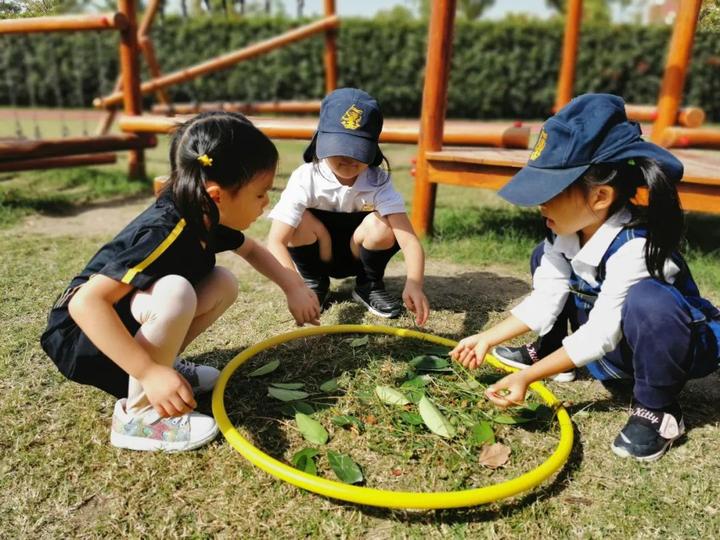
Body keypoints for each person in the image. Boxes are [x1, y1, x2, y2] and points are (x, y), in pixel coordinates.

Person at [450, 94, 720, 462]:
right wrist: (486, 337)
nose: (539, 205)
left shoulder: (634, 248)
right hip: (618, 348)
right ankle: (552, 351)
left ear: (600, 197)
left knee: (649, 301)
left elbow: (601, 333)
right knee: (543, 260)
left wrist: (529, 378)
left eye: (549, 193)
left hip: (679, 345)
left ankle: (658, 409)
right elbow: (547, 300)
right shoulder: (565, 234)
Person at [40, 112, 320, 452]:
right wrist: (148, 372)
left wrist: (294, 287)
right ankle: (140, 415)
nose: (266, 203)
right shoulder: (165, 230)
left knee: (222, 282)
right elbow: (85, 303)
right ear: (216, 195)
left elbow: (253, 250)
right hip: (81, 338)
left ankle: (162, 366)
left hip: (117, 327)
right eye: (260, 194)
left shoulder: (203, 210)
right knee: (175, 293)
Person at [267, 88, 430, 325]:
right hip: (319, 250)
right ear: (320, 139)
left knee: (383, 224)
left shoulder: (378, 181)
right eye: (340, 146)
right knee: (296, 220)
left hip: (357, 252)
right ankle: (314, 282)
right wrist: (295, 287)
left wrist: (414, 283)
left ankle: (368, 285)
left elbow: (409, 240)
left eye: (358, 150)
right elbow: (276, 240)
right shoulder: (306, 177)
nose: (349, 159)